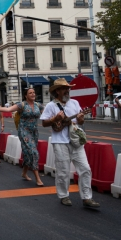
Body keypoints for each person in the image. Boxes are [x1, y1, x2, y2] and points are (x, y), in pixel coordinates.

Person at [40, 78, 100, 208]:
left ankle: (87, 198)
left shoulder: (75, 103)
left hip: (75, 141)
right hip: (60, 142)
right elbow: (44, 123)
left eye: (68, 88)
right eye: (64, 89)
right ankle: (64, 196)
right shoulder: (51, 106)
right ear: (57, 91)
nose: (68, 90)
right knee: (63, 171)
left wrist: (81, 118)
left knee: (85, 169)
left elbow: (80, 122)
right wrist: (55, 119)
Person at [0, 88, 44, 186]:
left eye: (34, 92)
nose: (33, 94)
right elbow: (8, 109)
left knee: (28, 153)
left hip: (34, 132)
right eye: (30, 93)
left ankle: (24, 173)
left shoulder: (38, 105)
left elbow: (48, 112)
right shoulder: (22, 105)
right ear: (26, 95)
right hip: (24, 131)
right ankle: (38, 178)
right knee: (33, 153)